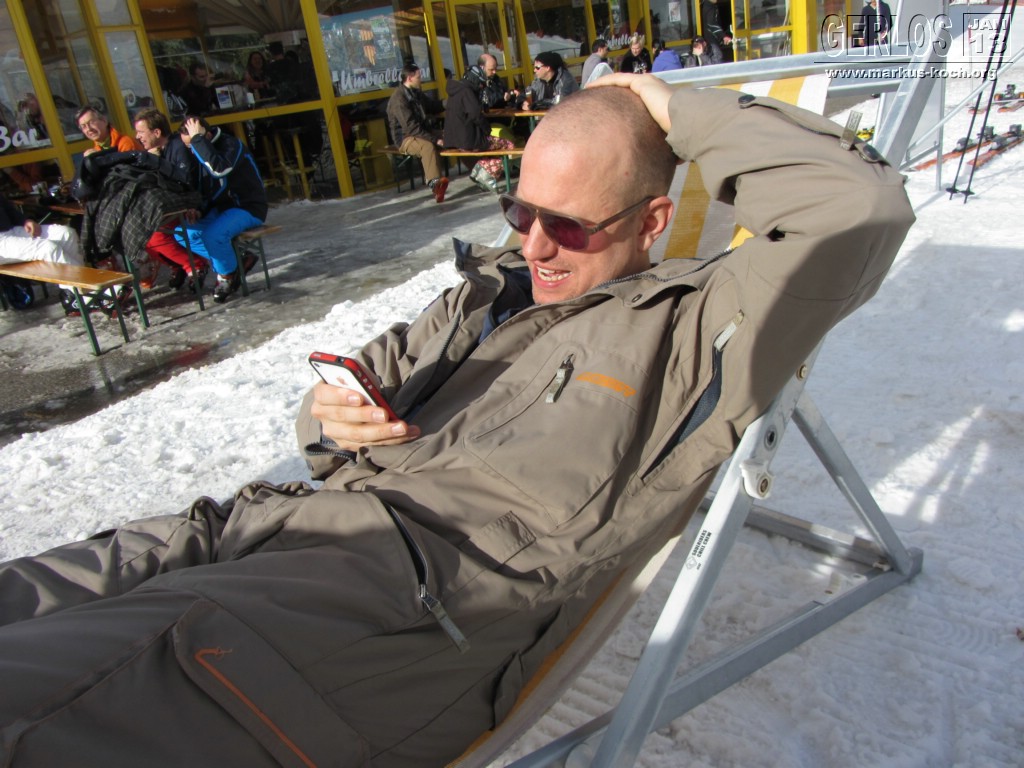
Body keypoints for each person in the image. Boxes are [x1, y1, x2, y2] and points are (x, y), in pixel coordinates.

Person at [0, 74, 915, 767]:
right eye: (521, 210)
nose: (535, 244)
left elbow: (858, 206)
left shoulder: (696, 331)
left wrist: (666, 105)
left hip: (378, 609)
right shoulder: (486, 294)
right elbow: (337, 415)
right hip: (251, 531)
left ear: (654, 221)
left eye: (570, 226)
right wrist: (329, 417)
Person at [75, 108, 204, 291]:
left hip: (176, 204)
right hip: (151, 203)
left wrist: (154, 161)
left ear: (103, 120)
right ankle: (177, 266)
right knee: (133, 234)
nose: (88, 128)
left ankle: (194, 265)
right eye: (83, 126)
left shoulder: (129, 144)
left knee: (147, 235)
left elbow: (184, 181)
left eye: (90, 123)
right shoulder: (96, 151)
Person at [177, 115, 268, 303]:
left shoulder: (231, 144)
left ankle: (227, 275)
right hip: (221, 208)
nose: (191, 151)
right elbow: (207, 188)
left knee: (213, 236)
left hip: (247, 206)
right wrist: (199, 209)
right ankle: (235, 260)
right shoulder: (202, 150)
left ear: (206, 136)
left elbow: (219, 170)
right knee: (183, 233)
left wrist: (198, 140)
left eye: (191, 145)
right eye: (188, 146)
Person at [443, 58, 517, 194]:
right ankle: (485, 173)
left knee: (494, 148)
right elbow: (475, 114)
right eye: (481, 84)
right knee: (509, 145)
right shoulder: (467, 92)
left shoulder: (456, 91)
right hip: (469, 140)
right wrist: (487, 130)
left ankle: (482, 172)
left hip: (453, 139)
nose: (481, 87)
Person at [386, 63, 449, 203]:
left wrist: (449, 102)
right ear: (409, 78)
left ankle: (478, 169)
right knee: (427, 146)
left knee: (451, 135)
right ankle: (435, 183)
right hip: (405, 138)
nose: (421, 80)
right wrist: (435, 139)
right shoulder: (399, 99)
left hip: (422, 131)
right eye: (419, 77)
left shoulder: (416, 93)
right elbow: (411, 128)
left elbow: (432, 106)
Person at [76, 105, 142, 156]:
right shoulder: (96, 150)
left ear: (104, 121)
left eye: (91, 122)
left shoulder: (126, 143)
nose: (89, 129)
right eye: (83, 126)